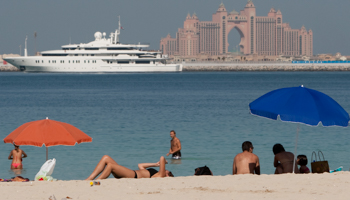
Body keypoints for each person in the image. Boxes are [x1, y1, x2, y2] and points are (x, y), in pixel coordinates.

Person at [86, 155, 173, 180]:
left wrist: (163, 163)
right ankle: (90, 179)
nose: (167, 170)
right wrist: (155, 165)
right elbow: (140, 165)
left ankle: (97, 182)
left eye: (168, 172)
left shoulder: (160, 176)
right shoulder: (155, 172)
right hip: (130, 172)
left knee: (110, 166)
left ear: (167, 175)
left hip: (133, 175)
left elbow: (162, 158)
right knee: (106, 158)